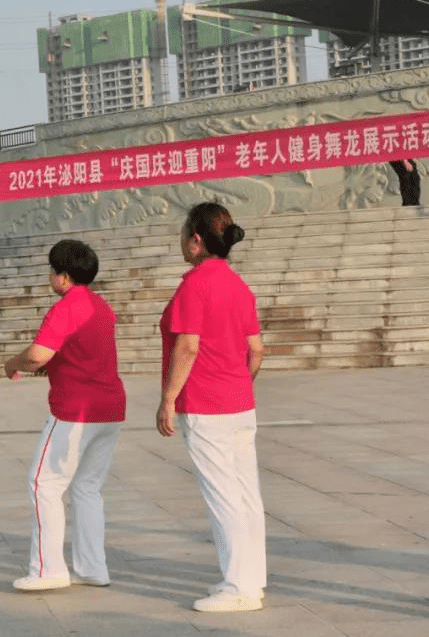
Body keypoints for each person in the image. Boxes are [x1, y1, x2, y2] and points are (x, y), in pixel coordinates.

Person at [156, 202, 267, 612]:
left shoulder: (195, 285)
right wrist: (237, 382)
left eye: (185, 233)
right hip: (239, 403)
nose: (182, 241)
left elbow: (187, 345)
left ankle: (238, 585)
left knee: (224, 496)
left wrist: (168, 398)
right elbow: (256, 351)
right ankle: (252, 580)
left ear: (197, 241)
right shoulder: (239, 286)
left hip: (206, 405)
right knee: (245, 494)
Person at [3, 239, 126, 592]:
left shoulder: (67, 307)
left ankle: (47, 570)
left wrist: (13, 363)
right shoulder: (101, 307)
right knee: (87, 487)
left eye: (52, 271)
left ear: (64, 277)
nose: (50, 277)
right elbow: (80, 352)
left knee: (44, 483)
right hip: (110, 408)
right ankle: (92, 568)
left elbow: (37, 355)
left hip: (76, 411)